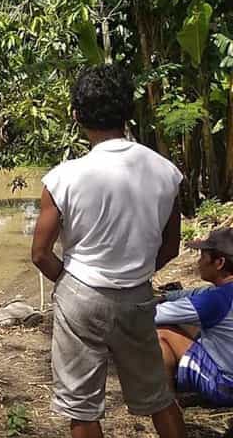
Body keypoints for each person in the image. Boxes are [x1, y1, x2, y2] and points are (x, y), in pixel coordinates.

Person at [31, 64, 186, 438]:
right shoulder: (165, 171)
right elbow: (170, 246)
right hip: (137, 295)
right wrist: (136, 271)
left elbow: (40, 254)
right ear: (129, 111)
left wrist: (71, 282)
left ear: (76, 115)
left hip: (80, 294)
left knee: (82, 408)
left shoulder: (63, 177)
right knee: (158, 396)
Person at [155, 228, 233, 406]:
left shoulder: (216, 299)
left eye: (203, 257)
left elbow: (152, 316)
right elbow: (195, 293)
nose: (198, 262)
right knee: (193, 326)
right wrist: (165, 296)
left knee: (161, 333)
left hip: (226, 387)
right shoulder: (221, 293)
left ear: (219, 263)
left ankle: (167, 404)